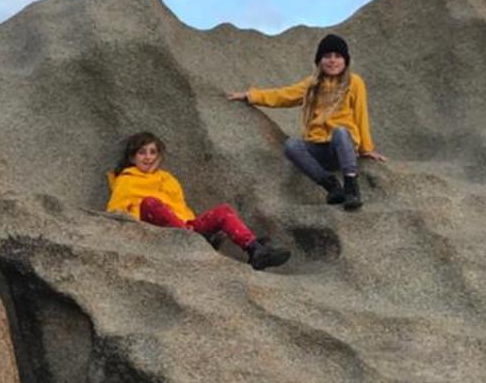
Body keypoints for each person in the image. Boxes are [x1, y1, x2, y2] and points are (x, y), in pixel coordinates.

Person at [227, 33, 386, 210]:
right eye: (327, 56)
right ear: (319, 60)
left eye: (338, 56)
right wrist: (251, 96)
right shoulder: (312, 84)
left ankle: (351, 188)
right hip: (318, 148)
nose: (332, 61)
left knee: (340, 132)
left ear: (345, 61)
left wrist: (366, 148)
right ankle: (331, 185)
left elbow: (361, 114)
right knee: (291, 145)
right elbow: (283, 95)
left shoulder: (354, 82)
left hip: (342, 147)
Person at [105, 132, 291, 270]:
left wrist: (194, 226)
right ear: (132, 157)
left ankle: (255, 250)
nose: (148, 157)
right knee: (150, 203)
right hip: (153, 228)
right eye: (142, 153)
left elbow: (181, 208)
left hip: (184, 226)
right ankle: (195, 238)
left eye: (153, 152)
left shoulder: (167, 178)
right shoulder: (126, 179)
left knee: (223, 211)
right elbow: (115, 210)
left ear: (159, 156)